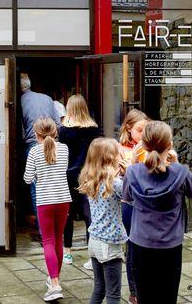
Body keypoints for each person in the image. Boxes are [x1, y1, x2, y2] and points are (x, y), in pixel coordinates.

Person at [123, 121, 192, 304]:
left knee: (145, 298)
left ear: (143, 145)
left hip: (141, 243)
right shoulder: (181, 173)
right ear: (170, 145)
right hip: (170, 245)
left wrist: (133, 163)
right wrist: (176, 164)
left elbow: (127, 197)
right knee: (168, 298)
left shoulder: (133, 172)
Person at [23, 118, 71, 301]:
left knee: (48, 241)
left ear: (36, 134)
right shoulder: (64, 149)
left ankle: (55, 283)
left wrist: (38, 175)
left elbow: (27, 178)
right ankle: (53, 281)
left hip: (45, 201)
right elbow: (63, 169)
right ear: (55, 132)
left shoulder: (34, 151)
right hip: (63, 199)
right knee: (58, 239)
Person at [78, 138, 126, 304]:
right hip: (110, 244)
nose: (122, 157)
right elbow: (134, 198)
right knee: (113, 294)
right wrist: (128, 174)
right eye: (119, 154)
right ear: (111, 158)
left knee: (99, 288)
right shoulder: (115, 183)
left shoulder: (90, 179)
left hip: (94, 241)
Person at [58, 95, 102, 269]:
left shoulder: (64, 131)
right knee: (88, 214)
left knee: (67, 215)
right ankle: (92, 255)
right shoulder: (93, 129)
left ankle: (67, 252)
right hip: (88, 174)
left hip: (68, 175)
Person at [20, 72, 62, 241]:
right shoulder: (46, 98)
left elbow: (19, 130)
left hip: (32, 145)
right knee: (54, 186)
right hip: (54, 145)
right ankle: (57, 231)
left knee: (36, 189)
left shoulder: (19, 101)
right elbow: (58, 123)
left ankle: (44, 233)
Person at [117, 109, 148, 304]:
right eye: (139, 130)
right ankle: (134, 291)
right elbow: (119, 181)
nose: (143, 134)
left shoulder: (150, 147)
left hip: (147, 203)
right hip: (130, 203)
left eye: (147, 129)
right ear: (129, 128)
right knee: (132, 247)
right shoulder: (120, 149)